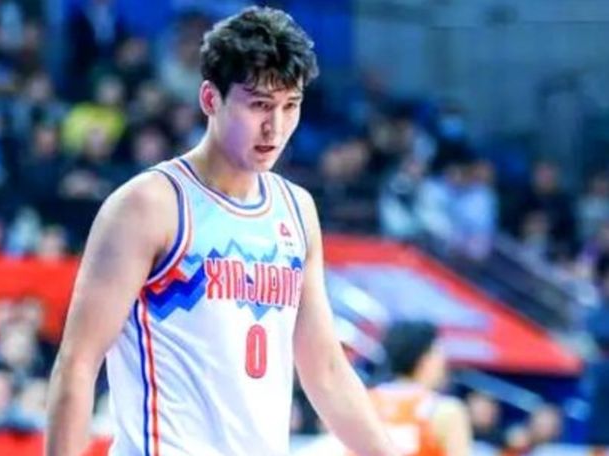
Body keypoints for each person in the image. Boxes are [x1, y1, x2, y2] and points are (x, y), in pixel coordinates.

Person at [46, 7, 400, 456]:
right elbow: (78, 364)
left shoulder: (297, 210)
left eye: (290, 106)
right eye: (259, 105)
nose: (275, 127)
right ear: (210, 99)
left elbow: (326, 371)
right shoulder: (150, 205)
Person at [351, 321, 472, 456]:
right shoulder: (445, 410)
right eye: (439, 354)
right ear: (425, 359)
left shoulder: (363, 402)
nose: (444, 364)